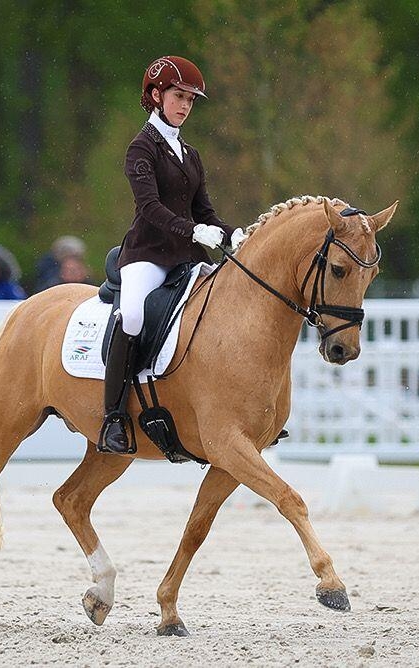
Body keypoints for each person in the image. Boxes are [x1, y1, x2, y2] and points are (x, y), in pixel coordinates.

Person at [97, 55, 247, 454]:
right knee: (130, 315)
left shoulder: (191, 154)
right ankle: (113, 417)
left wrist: (235, 235)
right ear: (156, 95)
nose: (184, 106)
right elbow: (150, 208)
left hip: (185, 256)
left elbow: (205, 212)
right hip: (147, 254)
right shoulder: (140, 148)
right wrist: (194, 230)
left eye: (190, 100)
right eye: (178, 96)